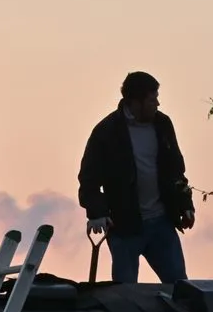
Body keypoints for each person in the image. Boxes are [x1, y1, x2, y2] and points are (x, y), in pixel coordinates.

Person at [77, 71, 196, 284]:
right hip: (124, 225)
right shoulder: (107, 132)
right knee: (126, 291)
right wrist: (96, 212)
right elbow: (89, 178)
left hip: (161, 222)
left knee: (180, 287)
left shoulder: (163, 125)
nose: (157, 104)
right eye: (152, 99)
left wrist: (185, 204)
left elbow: (176, 170)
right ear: (135, 101)